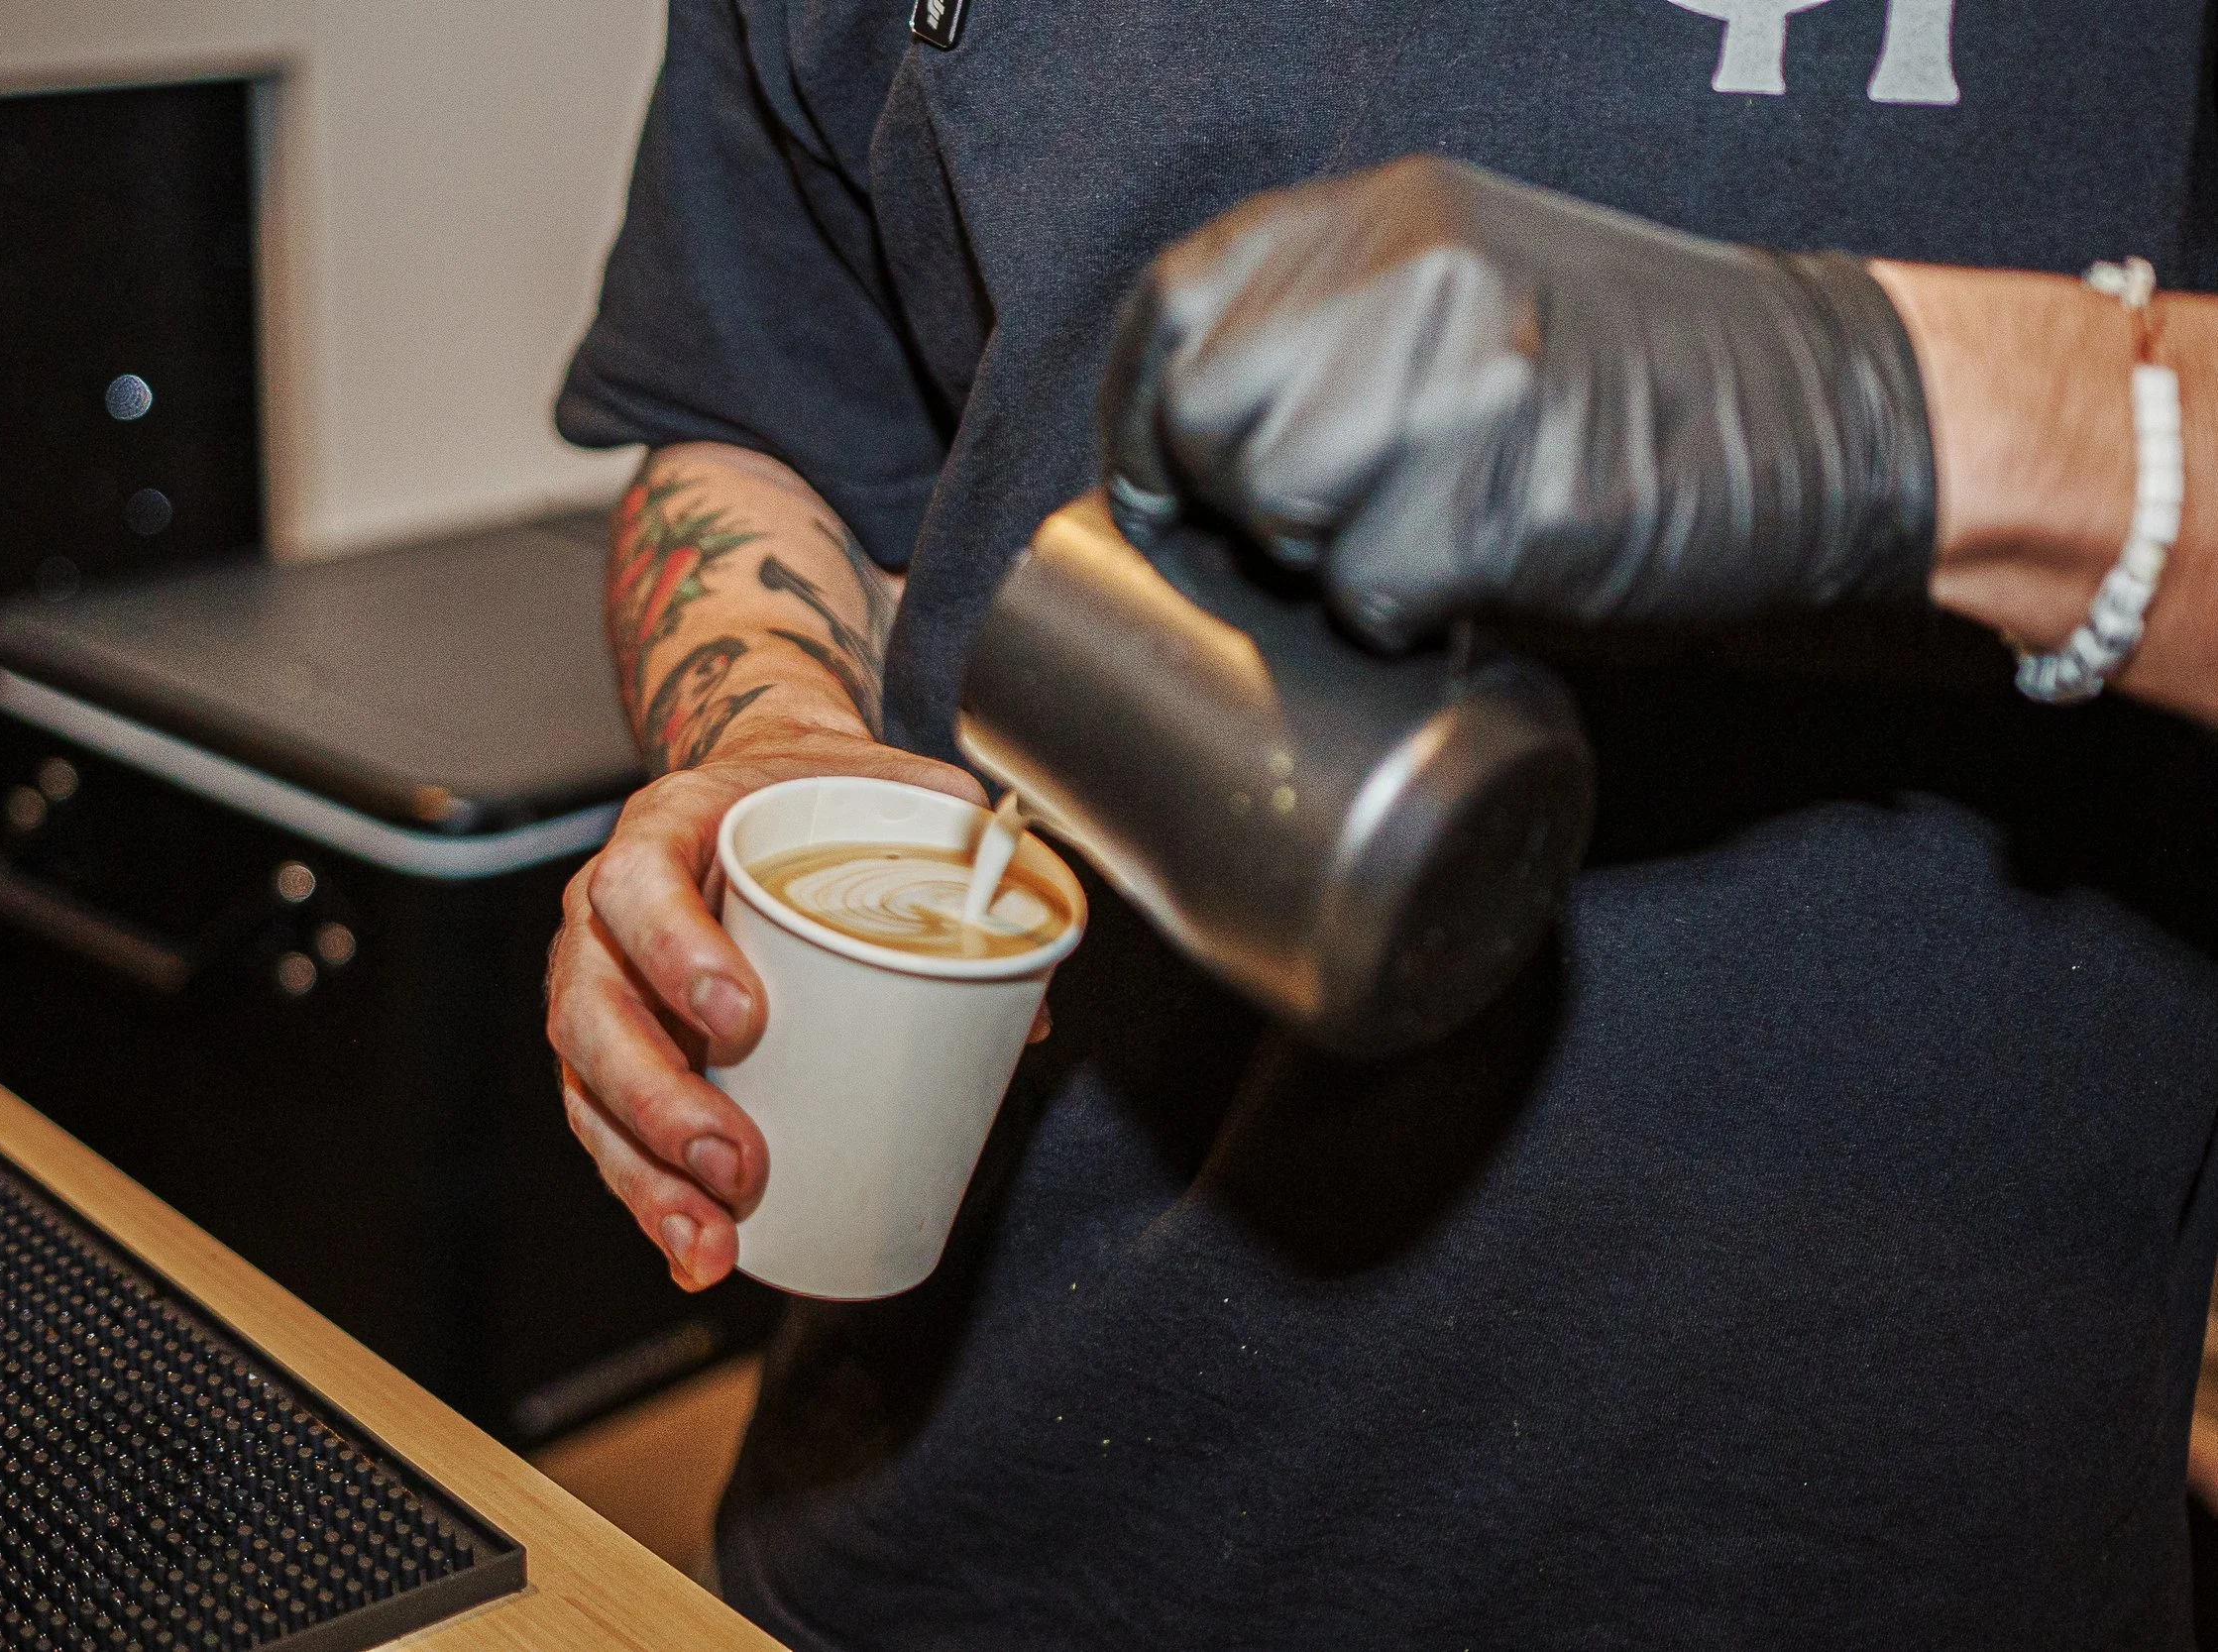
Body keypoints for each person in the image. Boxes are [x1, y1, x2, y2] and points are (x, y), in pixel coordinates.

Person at [546, 2, 2218, 1643]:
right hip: (951, 1524)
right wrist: (765, 735)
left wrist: (1896, 413)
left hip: (1867, 1539)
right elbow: (766, 425)